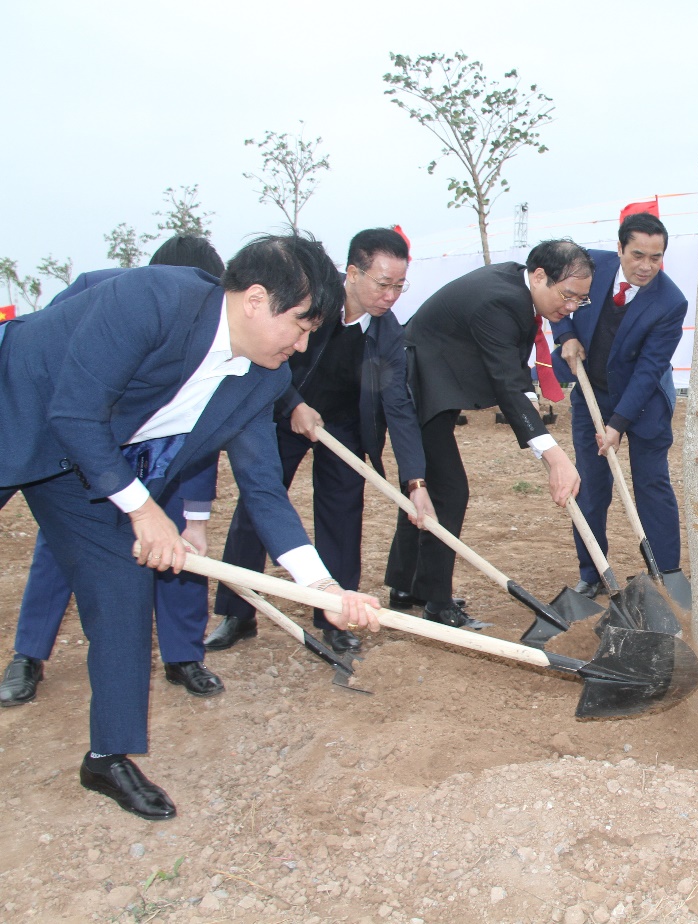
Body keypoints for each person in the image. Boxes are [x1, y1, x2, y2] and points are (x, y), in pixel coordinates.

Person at [0, 235, 380, 820]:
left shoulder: (264, 377)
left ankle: (107, 755)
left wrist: (320, 587)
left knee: (123, 587)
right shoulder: (152, 299)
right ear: (256, 299)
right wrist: (144, 510)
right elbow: (74, 411)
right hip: (16, 408)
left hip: (87, 461)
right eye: (300, 327)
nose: (303, 346)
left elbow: (262, 490)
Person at [0, 237, 229, 707]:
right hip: (87, 450)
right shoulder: (101, 292)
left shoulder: (219, 339)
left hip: (159, 458)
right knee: (60, 549)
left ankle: (183, 655)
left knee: (178, 549)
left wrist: (198, 516)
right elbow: (51, 367)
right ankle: (28, 654)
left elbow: (207, 440)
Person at [208, 228, 448, 653]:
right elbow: (268, 360)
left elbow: (399, 407)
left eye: (398, 285)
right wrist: (294, 404)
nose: (391, 295)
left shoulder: (388, 331)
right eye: (383, 283)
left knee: (342, 515)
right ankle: (237, 612)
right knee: (258, 506)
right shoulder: (310, 301)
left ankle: (334, 615)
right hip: (282, 412)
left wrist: (416, 483)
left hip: (343, 424)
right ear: (352, 273)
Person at [385, 240, 588, 613]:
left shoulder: (516, 288)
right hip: (418, 382)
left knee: (428, 485)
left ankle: (407, 585)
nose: (572, 307)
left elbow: (513, 377)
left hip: (434, 380)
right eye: (568, 295)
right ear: (540, 276)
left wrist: (538, 434)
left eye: (580, 301)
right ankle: (436, 601)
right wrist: (555, 457)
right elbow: (507, 382)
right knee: (448, 491)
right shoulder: (502, 300)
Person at [550, 213, 687, 599]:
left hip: (645, 404)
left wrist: (619, 424)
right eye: (638, 255)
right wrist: (565, 335)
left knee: (651, 484)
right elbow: (559, 300)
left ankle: (665, 575)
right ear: (620, 249)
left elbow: (649, 369)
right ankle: (592, 573)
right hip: (593, 393)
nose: (646, 266)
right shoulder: (588, 265)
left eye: (656, 258)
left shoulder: (671, 302)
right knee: (591, 486)